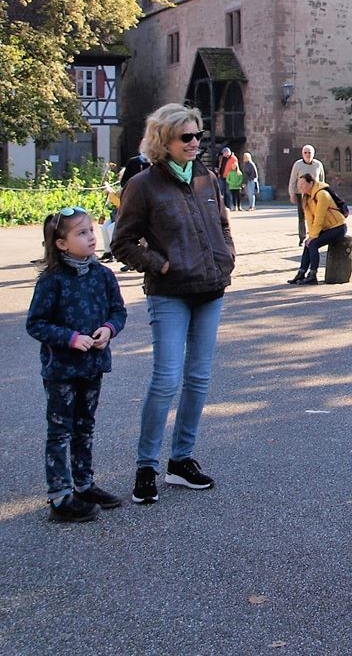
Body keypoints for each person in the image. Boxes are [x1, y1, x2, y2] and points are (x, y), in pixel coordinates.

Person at [112, 104, 235, 506]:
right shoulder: (144, 184)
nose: (195, 142)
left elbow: (222, 224)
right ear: (163, 140)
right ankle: (146, 465)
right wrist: (159, 264)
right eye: (186, 137)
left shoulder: (207, 179)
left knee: (198, 379)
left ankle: (181, 461)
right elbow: (122, 242)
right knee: (166, 379)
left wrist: (226, 256)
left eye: (198, 135)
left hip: (210, 288)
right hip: (169, 292)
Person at [27, 207, 127, 522]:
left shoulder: (103, 275)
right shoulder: (51, 281)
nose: (91, 238)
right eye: (81, 233)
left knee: (85, 427)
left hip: (93, 366)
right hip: (61, 371)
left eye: (91, 231)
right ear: (61, 244)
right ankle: (59, 495)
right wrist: (70, 338)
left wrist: (108, 330)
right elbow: (36, 323)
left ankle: (83, 484)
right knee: (61, 431)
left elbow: (118, 311)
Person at [287, 173, 348, 285]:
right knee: (308, 243)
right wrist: (311, 235)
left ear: (311, 183)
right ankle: (301, 272)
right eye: (299, 185)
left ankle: (313, 275)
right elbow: (310, 219)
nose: (300, 187)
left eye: (303, 184)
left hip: (338, 227)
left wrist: (314, 237)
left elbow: (320, 216)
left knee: (314, 244)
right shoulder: (307, 197)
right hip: (327, 228)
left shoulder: (322, 194)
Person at [288, 146, 325, 246]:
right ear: (302, 154)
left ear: (313, 154)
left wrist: (323, 192)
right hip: (302, 194)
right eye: (305, 153)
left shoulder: (318, 165)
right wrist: (292, 193)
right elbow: (293, 180)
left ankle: (315, 235)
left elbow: (322, 180)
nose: (308, 155)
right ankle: (302, 237)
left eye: (309, 153)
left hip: (315, 193)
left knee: (316, 215)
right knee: (302, 216)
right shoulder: (298, 165)